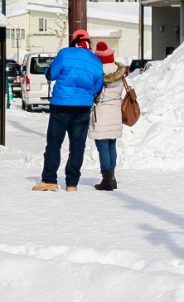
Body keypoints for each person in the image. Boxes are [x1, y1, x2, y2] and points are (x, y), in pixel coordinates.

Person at [35, 31, 105, 190]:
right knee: (77, 146)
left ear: (74, 41)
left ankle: (49, 180)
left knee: (54, 144)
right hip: (83, 108)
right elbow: (97, 86)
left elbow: (52, 74)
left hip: (61, 105)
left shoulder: (65, 53)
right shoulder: (96, 61)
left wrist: (48, 72)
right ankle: (72, 183)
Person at [90, 43, 128, 191]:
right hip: (115, 112)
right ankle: (112, 177)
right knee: (112, 145)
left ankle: (106, 179)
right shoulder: (119, 72)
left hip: (101, 113)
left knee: (103, 146)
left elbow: (94, 92)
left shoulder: (97, 71)